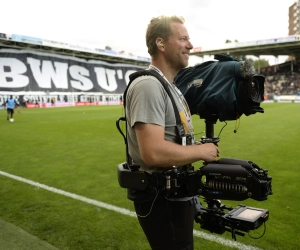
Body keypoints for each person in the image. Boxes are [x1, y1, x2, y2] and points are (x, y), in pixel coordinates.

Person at [125, 15, 220, 250]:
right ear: (161, 43)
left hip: (174, 192)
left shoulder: (170, 86)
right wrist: (202, 151)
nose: (190, 45)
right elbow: (153, 153)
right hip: (160, 197)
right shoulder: (148, 85)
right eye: (183, 38)